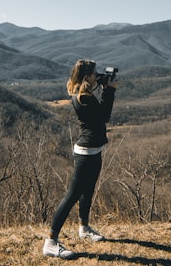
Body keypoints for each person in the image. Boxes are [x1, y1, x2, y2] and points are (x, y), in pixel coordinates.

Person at [42, 59, 118, 259]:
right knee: (72, 196)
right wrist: (109, 90)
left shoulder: (84, 94)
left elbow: (99, 116)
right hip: (86, 153)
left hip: (94, 149)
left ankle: (84, 228)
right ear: (87, 77)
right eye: (95, 74)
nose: (98, 76)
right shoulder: (83, 98)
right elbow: (104, 116)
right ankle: (50, 241)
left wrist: (101, 87)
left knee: (88, 190)